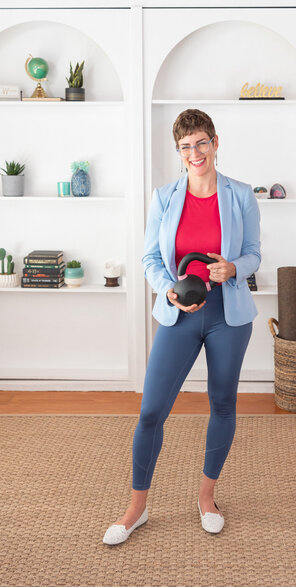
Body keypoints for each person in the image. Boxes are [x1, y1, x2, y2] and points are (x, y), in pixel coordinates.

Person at [103, 108, 261, 545]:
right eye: (186, 147)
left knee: (222, 404)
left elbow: (254, 254)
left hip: (229, 318)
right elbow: (151, 258)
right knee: (152, 410)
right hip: (179, 315)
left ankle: (207, 498)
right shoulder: (164, 197)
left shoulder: (241, 194)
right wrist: (168, 289)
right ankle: (137, 508)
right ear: (179, 152)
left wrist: (234, 267)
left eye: (202, 143)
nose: (195, 153)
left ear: (215, 142)